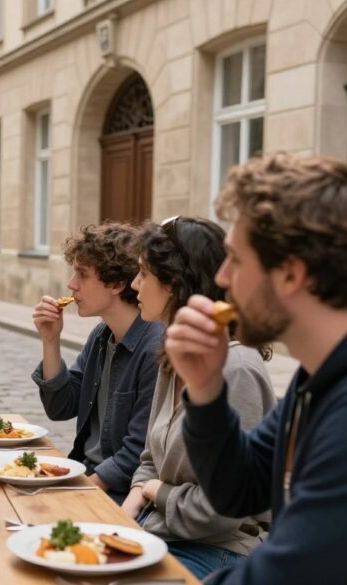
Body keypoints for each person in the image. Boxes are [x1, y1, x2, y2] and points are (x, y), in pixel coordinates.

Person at [167, 154, 347, 584]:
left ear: (292, 275)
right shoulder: (326, 368)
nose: (221, 278)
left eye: (236, 260)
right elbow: (238, 486)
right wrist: (205, 389)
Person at [123, 216, 275, 579]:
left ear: (174, 284)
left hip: (218, 550)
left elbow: (219, 513)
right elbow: (149, 459)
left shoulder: (236, 369)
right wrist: (129, 507)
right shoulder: (176, 354)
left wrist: (155, 492)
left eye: (143, 274)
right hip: (159, 529)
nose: (134, 284)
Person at [31, 222, 162, 503]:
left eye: (82, 274)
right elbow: (61, 406)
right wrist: (50, 341)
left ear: (116, 284)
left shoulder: (154, 348)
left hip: (121, 494)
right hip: (88, 475)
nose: (71, 284)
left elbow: (138, 452)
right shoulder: (102, 335)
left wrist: (78, 492)